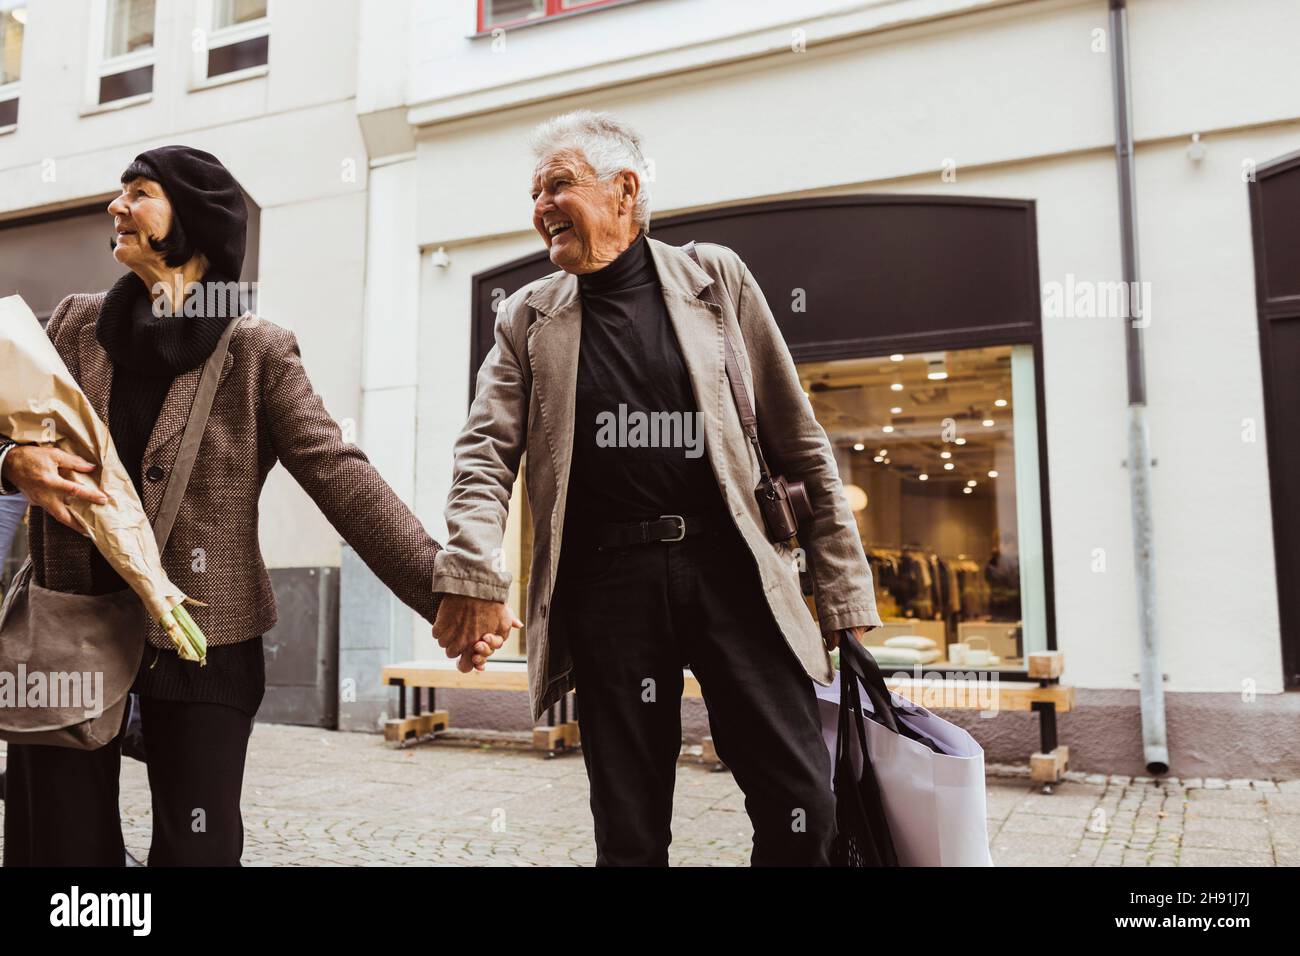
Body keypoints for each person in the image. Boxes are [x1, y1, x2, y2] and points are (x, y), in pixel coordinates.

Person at [0, 145, 500, 867]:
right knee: (62, 851)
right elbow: (7, 422)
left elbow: (340, 474)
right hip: (68, 626)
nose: (117, 206)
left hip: (206, 641)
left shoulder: (257, 350)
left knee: (196, 849)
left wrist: (443, 587)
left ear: (195, 221)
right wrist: (13, 462)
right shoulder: (74, 327)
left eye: (139, 193)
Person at [430, 110, 883, 866]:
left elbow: (798, 440)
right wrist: (473, 570)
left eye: (558, 186)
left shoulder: (717, 279)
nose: (540, 206)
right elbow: (483, 456)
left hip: (733, 569)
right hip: (609, 587)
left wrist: (842, 592)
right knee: (631, 827)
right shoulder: (526, 318)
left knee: (804, 800)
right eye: (534, 192)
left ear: (624, 191)